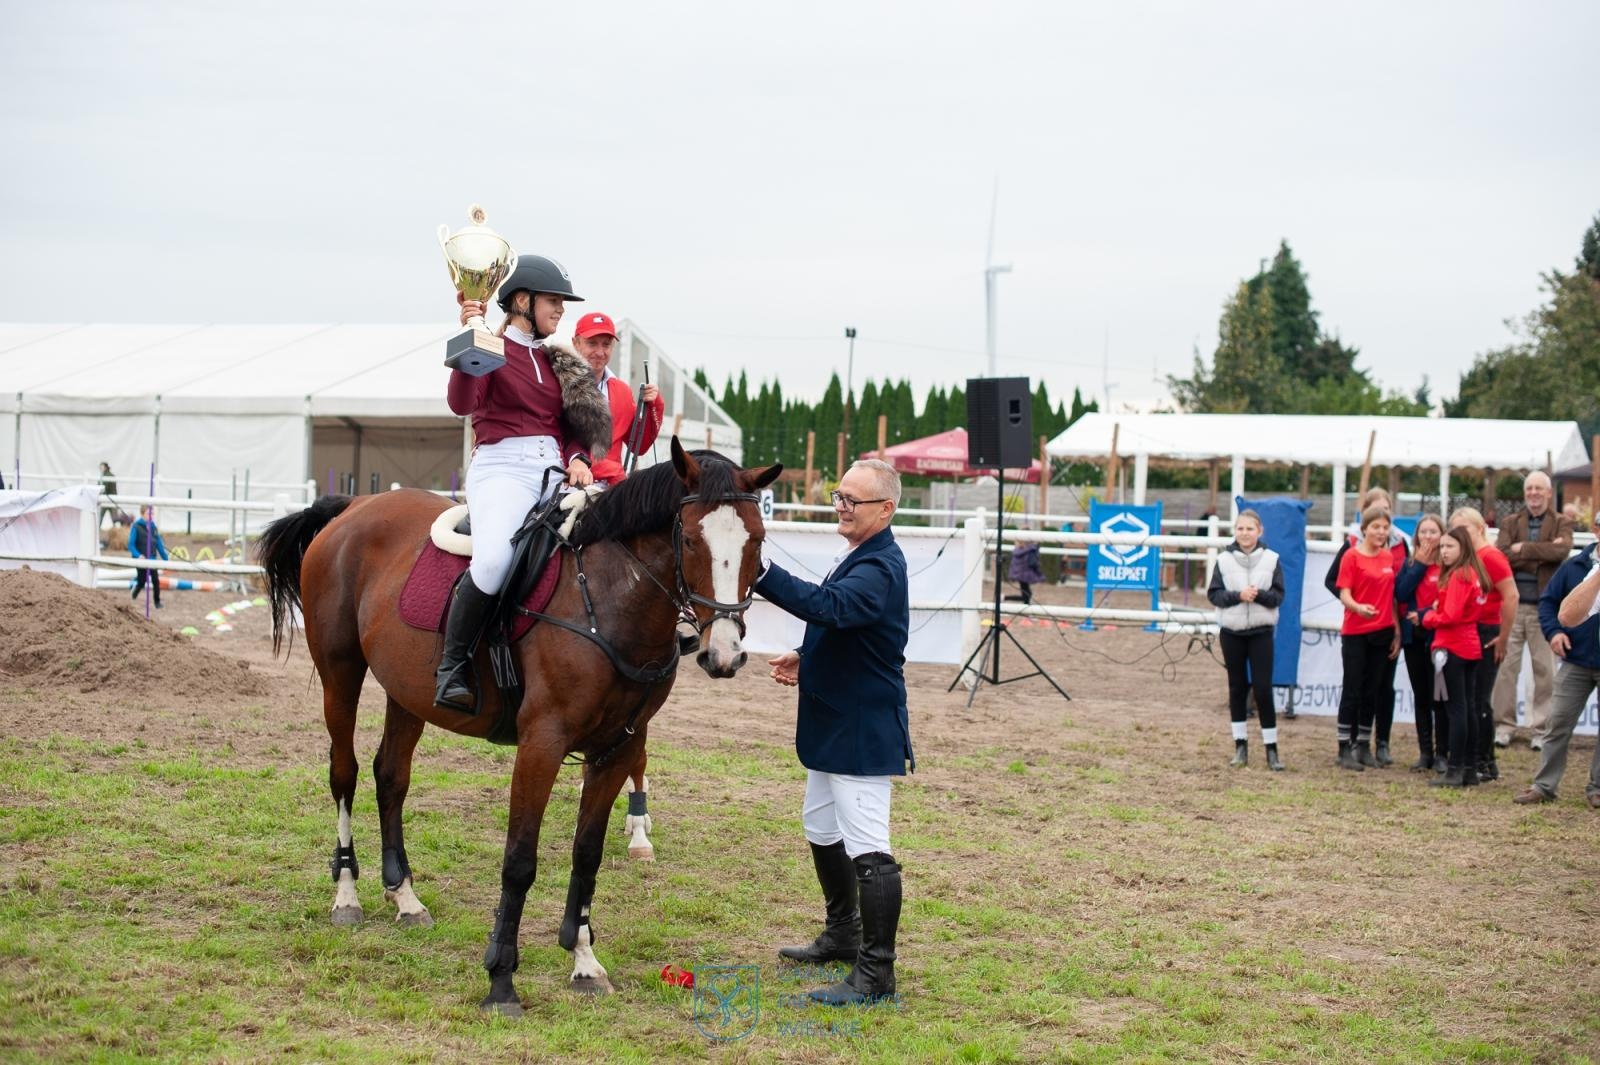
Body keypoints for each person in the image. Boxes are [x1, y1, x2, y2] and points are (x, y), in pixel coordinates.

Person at [760, 458, 911, 1007]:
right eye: (839, 495)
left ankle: (876, 976)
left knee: (871, 847)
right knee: (822, 826)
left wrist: (760, 573)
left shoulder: (879, 567)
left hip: (861, 726)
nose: (841, 506)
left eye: (853, 500)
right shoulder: (860, 554)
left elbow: (831, 607)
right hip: (835, 716)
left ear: (885, 510)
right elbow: (849, 629)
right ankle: (844, 933)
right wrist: (807, 656)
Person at [436, 256, 613, 712]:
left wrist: (576, 456)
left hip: (554, 470)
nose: (560, 311)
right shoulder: (490, 348)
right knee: (494, 560)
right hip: (501, 469)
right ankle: (452, 666)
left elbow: (571, 427)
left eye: (561, 303)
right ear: (521, 301)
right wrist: (470, 344)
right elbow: (461, 403)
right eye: (553, 301)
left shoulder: (558, 362)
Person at [1513, 510, 1600, 807]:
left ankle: (1597, 787)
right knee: (1557, 721)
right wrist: (1554, 633)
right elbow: (1550, 604)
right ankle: (1544, 785)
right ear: (1596, 531)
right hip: (1576, 658)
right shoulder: (1574, 565)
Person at [1325, 487, 1409, 765]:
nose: (1381, 532)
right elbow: (1343, 589)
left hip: (1383, 630)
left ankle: (1364, 744)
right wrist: (1357, 607)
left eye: (1385, 527)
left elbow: (1391, 597)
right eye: (1376, 527)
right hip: (1356, 631)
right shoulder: (1351, 556)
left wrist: (1395, 628)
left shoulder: (1388, 558)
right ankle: (1343, 747)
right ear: (1365, 529)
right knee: (1353, 688)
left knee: (1373, 689)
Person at [1491, 471, 1573, 750]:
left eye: (1539, 488)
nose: (1534, 493)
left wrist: (1523, 549)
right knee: (1505, 667)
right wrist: (1541, 553)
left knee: (1545, 671)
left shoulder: (1563, 522)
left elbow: (1560, 553)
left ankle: (1541, 729)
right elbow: (1501, 555)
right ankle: (1503, 725)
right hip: (1512, 606)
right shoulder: (1509, 521)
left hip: (1545, 609)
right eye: (1530, 489)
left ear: (1549, 493)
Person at [1207, 509, 1287, 770]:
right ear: (1235, 530)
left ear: (1259, 531)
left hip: (1261, 632)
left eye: (1249, 529)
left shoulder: (1272, 559)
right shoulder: (1223, 560)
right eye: (1240, 528)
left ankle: (1271, 748)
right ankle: (1240, 745)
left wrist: (1258, 595)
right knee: (1237, 688)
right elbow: (1215, 595)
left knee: (1263, 689)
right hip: (1232, 631)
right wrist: (1238, 596)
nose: (1244, 533)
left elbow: (1278, 596)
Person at [1449, 508, 1518, 782]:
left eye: (1464, 528)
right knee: (1470, 698)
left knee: (1478, 700)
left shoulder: (1491, 556)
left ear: (1479, 529)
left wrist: (1503, 636)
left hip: (1486, 630)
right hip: (1468, 629)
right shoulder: (1466, 557)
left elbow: (1511, 595)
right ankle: (1478, 759)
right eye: (1455, 529)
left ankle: (1484, 760)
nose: (1460, 533)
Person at [1419, 527, 1490, 788]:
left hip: (1453, 646)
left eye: (1450, 546)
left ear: (1463, 548)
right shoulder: (1472, 573)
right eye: (1443, 547)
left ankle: (1455, 769)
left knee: (1457, 710)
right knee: (1468, 708)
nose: (1444, 551)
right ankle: (1468, 768)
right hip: (1469, 645)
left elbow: (1450, 616)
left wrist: (1427, 617)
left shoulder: (1459, 575)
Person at [562, 311, 663, 486]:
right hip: (569, 482)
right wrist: (611, 470)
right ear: (575, 343)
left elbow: (639, 445)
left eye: (606, 345)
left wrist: (655, 405)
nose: (600, 352)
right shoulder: (558, 383)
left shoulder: (622, 391)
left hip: (611, 489)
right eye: (592, 343)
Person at [1396, 514, 1449, 772]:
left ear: (1443, 535)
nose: (1428, 537)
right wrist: (1419, 565)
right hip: (1413, 638)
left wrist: (1426, 613)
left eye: (1433, 532)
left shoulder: (1449, 564)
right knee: (1421, 697)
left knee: (1440, 696)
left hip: (1439, 637)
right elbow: (1401, 592)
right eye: (1423, 532)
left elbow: (1448, 599)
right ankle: (1425, 752)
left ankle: (1442, 753)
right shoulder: (1410, 562)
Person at [128, 505, 168, 608]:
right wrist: (138, 555)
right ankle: (134, 593)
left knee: (156, 580)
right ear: (142, 514)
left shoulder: (154, 528)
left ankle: (157, 602)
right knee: (142, 580)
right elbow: (130, 545)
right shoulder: (136, 526)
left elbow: (159, 544)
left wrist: (166, 558)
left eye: (152, 513)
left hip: (152, 559)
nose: (151, 515)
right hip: (140, 560)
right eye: (148, 513)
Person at [1007, 530, 1044, 605]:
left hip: (1021, 575)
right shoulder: (1027, 551)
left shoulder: (1019, 551)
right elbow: (1034, 550)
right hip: (1023, 575)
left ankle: (1006, 598)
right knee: (1027, 594)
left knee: (1027, 594)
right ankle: (1005, 598)